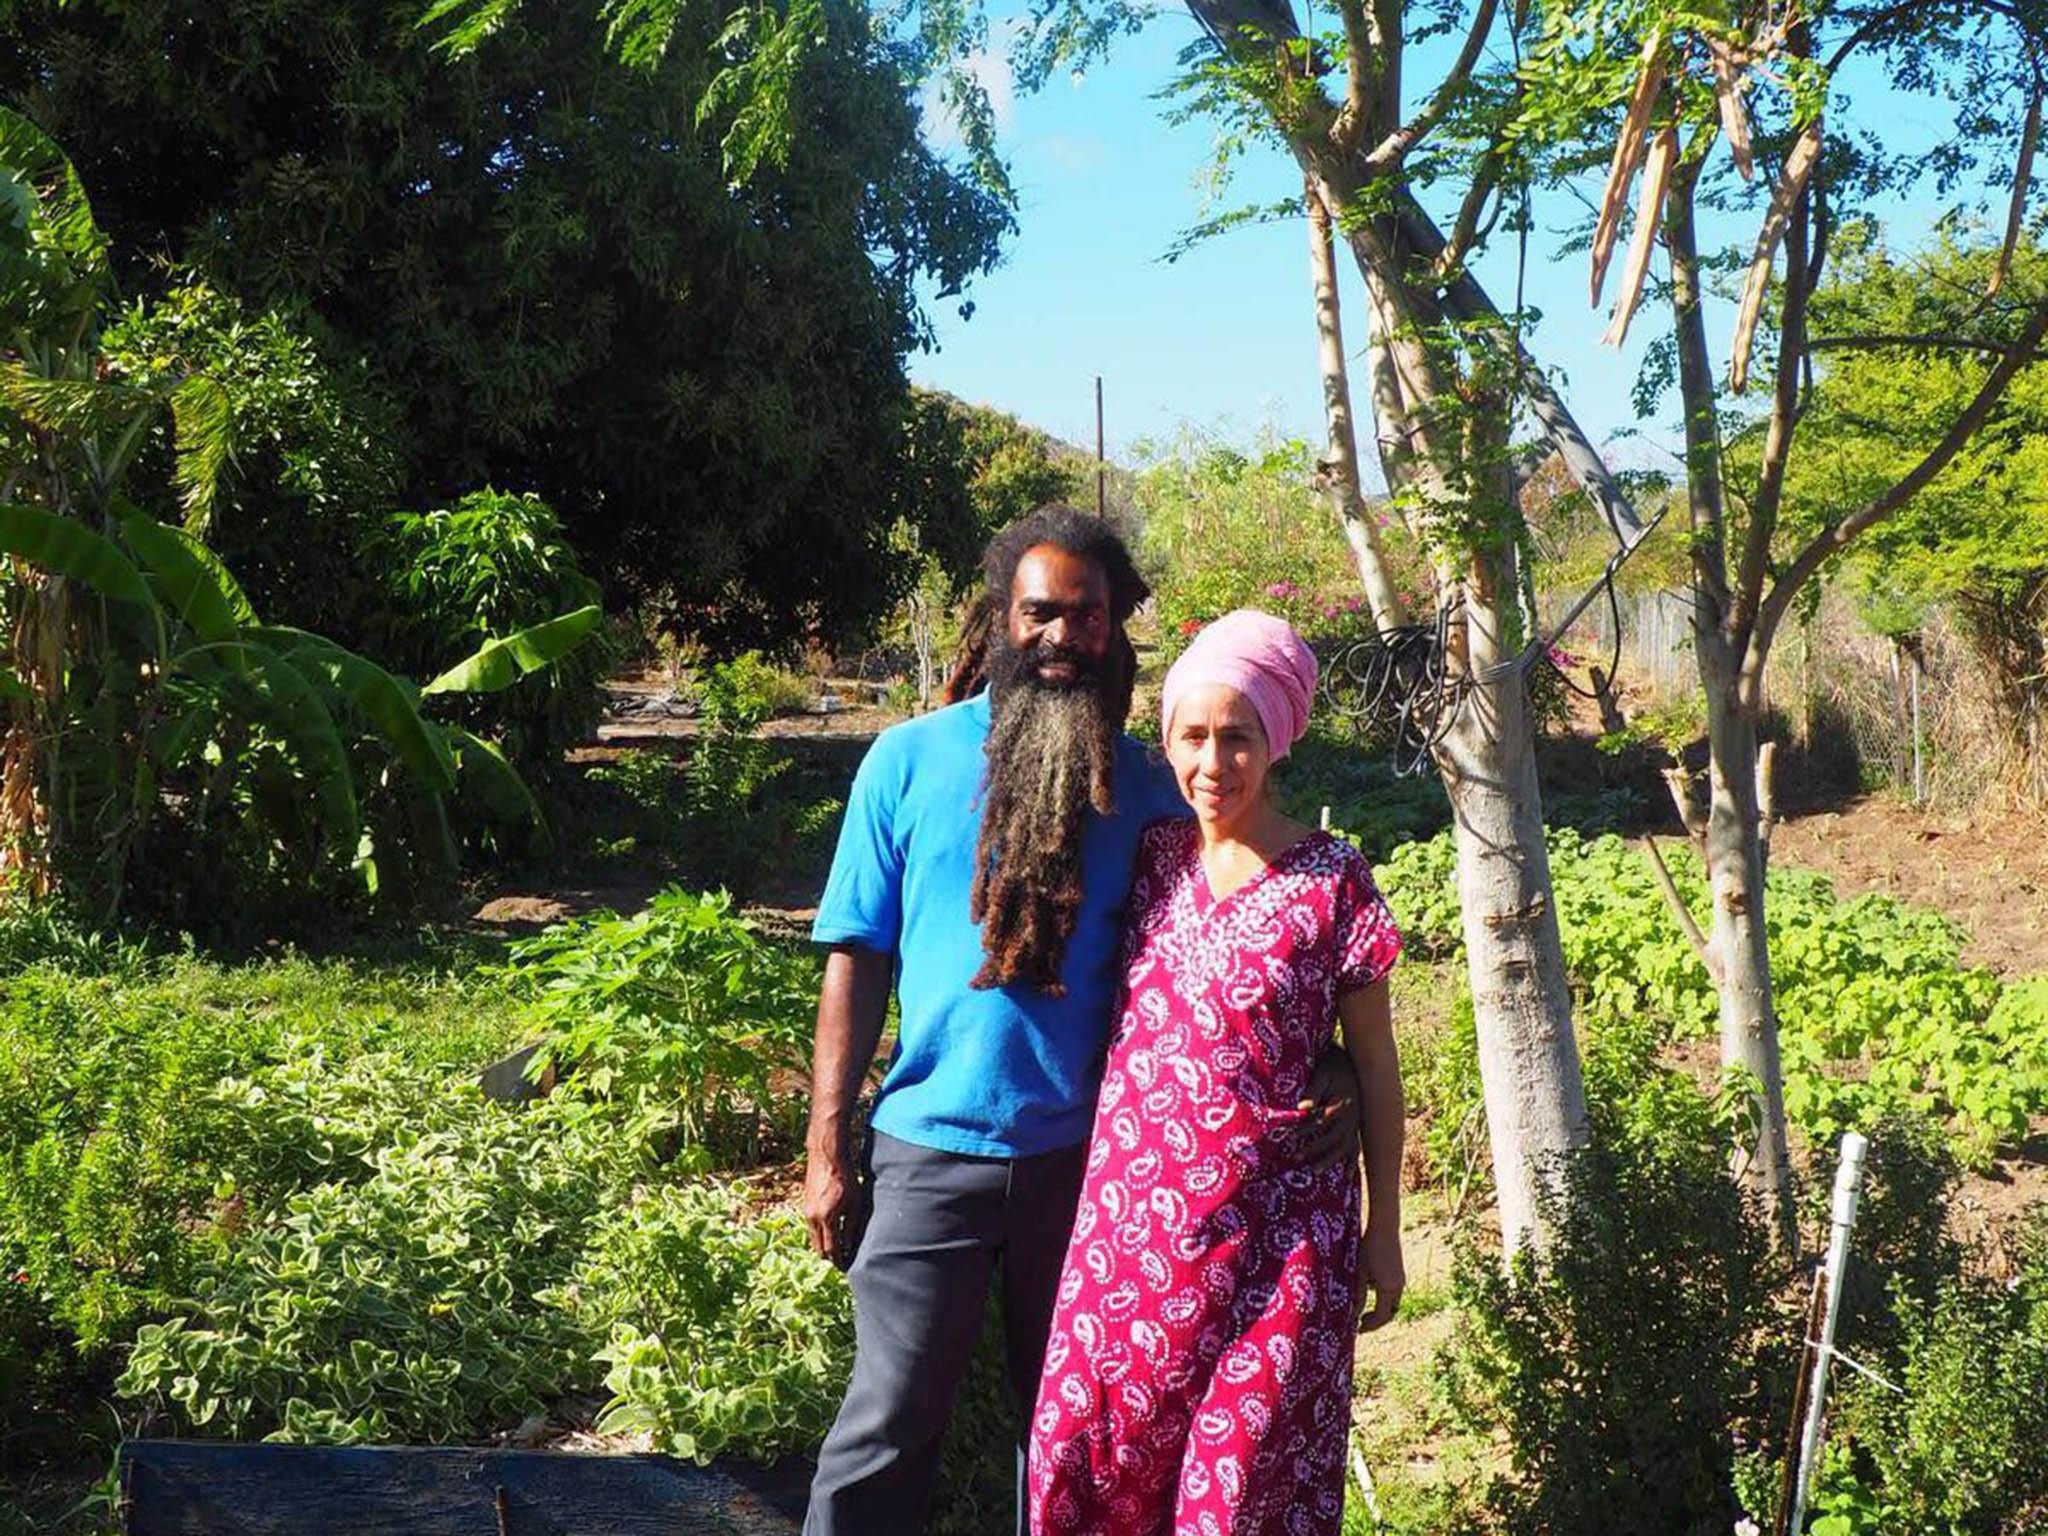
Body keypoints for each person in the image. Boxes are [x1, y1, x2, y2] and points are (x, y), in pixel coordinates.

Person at [801, 510, 1362, 1536]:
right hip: (928, 1153)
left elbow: (1235, 946)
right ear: (999, 619)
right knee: (887, 1422)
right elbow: (855, 958)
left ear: (1117, 628)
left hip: (1095, 1172)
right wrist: (825, 1148)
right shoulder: (904, 762)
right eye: (1039, 613)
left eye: (1087, 616)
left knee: (1075, 1437)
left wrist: (1333, 1060)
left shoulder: (1153, 792)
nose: (1062, 636)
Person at [1027, 608, 1406, 1536]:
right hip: (1133, 1248)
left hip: (1280, 1247)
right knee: (1098, 1460)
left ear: (1275, 741)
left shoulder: (1331, 880)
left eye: (1236, 738)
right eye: (1191, 737)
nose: (1211, 764)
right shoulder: (1151, 857)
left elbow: (1377, 1067)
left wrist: (1384, 1227)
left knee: (1237, 1492)